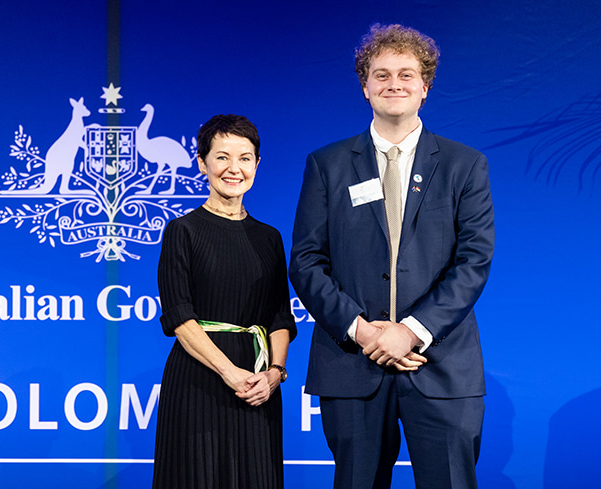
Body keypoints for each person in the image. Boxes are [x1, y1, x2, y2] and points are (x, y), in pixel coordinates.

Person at [289, 24, 494, 489]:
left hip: (440, 366)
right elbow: (306, 260)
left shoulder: (465, 165)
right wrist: (363, 331)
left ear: (425, 87)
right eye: (381, 75)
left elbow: (475, 260)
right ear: (365, 86)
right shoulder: (327, 164)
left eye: (406, 74)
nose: (394, 84)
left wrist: (411, 332)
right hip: (352, 363)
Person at [154, 114, 296, 489]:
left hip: (258, 384)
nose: (234, 169)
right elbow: (181, 318)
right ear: (202, 163)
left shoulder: (270, 238)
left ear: (257, 164)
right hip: (200, 381)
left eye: (245, 158)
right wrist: (228, 371)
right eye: (222, 157)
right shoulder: (182, 231)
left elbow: (280, 316)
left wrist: (274, 375)